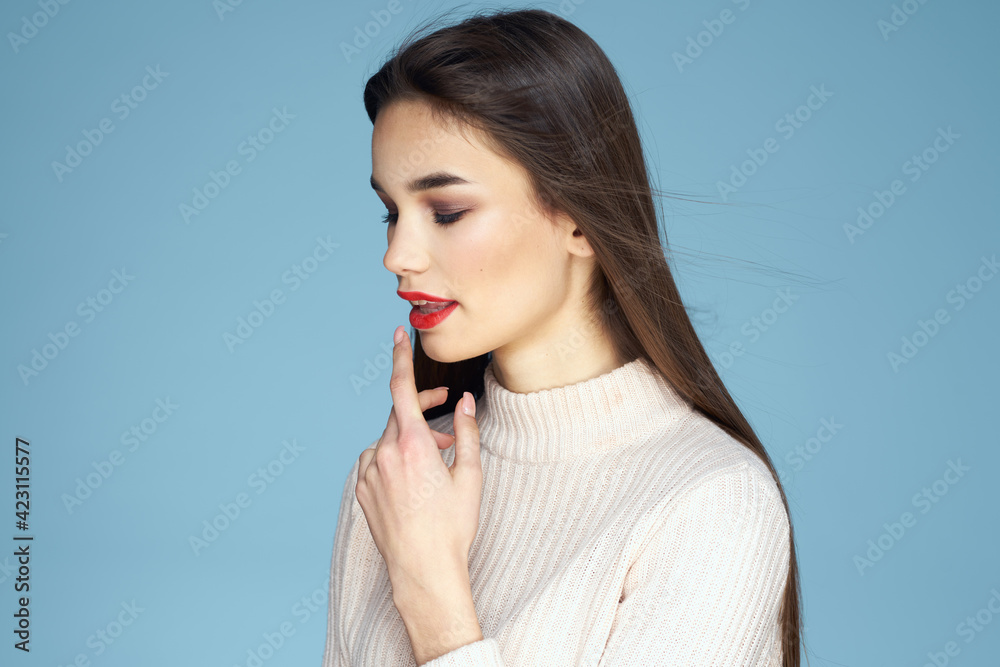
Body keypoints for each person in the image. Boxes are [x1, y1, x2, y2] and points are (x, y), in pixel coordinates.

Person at [323, 8, 804, 666]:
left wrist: (431, 591)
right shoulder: (396, 482)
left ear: (579, 219)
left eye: (447, 211)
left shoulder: (713, 501)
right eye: (391, 212)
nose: (397, 255)